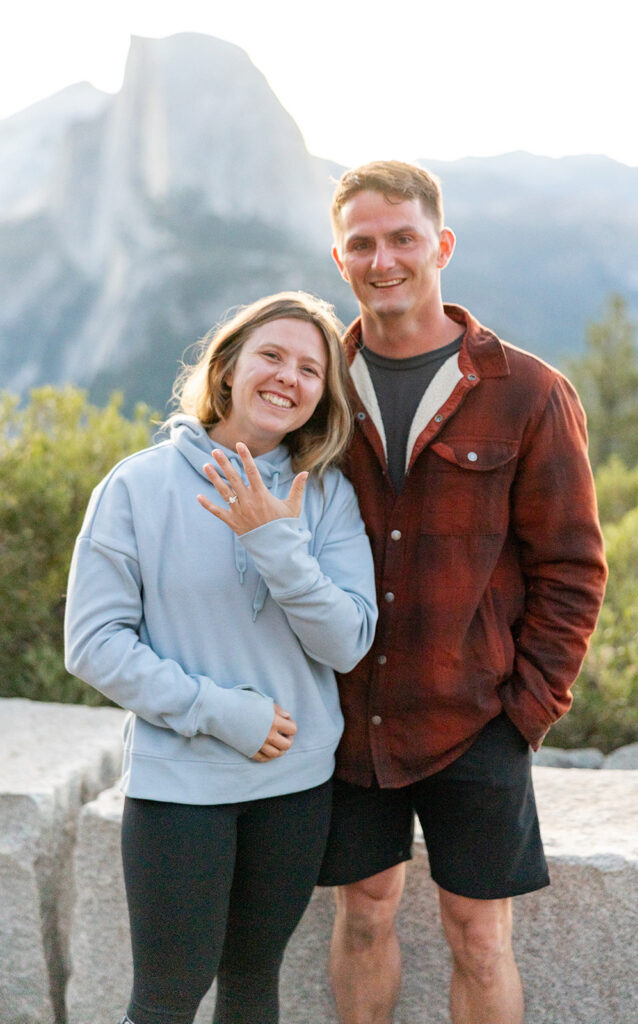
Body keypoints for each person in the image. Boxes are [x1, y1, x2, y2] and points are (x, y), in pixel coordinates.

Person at [316, 162, 608, 1024]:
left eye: (402, 238)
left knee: (478, 933)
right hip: (346, 711)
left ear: (439, 245)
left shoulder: (527, 392)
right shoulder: (314, 385)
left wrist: (527, 708)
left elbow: (571, 566)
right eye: (362, 243)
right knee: (362, 913)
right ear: (339, 258)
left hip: (477, 715)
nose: (383, 260)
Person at [64, 291, 378, 1024]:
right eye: (272, 355)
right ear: (229, 366)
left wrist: (275, 543)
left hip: (295, 786)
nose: (288, 378)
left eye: (310, 369)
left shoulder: (327, 497)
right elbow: (94, 643)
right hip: (181, 787)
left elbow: (346, 641)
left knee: (251, 985)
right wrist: (218, 711)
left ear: (321, 396)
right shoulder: (137, 486)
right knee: (167, 1001)